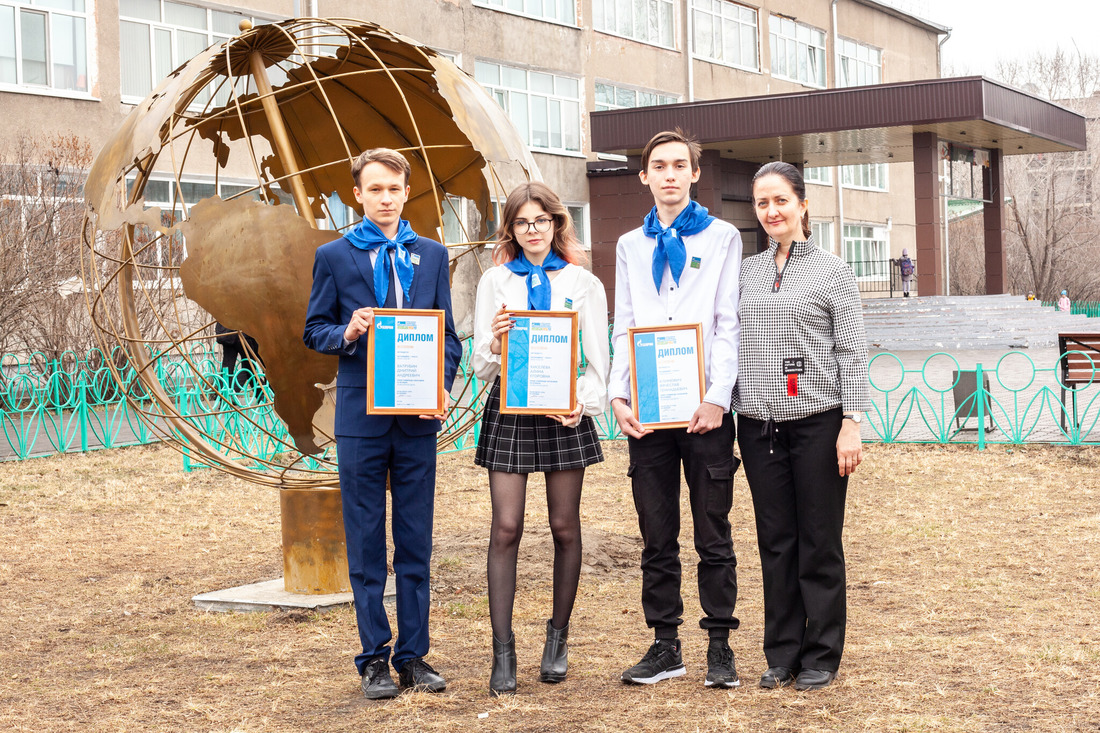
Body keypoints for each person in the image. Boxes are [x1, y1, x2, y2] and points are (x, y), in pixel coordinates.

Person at [302, 148, 462, 699]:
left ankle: (414, 656)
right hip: (360, 420)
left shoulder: (434, 255)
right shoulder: (335, 255)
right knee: (367, 539)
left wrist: (441, 382)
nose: (386, 198)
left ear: (406, 190)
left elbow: (449, 337)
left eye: (394, 189)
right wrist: (346, 332)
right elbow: (313, 330)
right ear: (358, 194)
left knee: (415, 540)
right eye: (375, 190)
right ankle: (373, 659)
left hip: (418, 419)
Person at [609, 129, 743, 689]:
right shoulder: (628, 246)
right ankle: (665, 645)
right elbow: (626, 324)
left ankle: (720, 645)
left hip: (705, 410)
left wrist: (717, 396)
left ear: (694, 173)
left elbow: (727, 321)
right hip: (649, 411)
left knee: (712, 530)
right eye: (657, 165)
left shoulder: (722, 236)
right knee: (656, 532)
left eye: (678, 165)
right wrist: (618, 395)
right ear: (643, 176)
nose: (668, 174)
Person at [733, 161, 869, 692]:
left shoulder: (834, 271)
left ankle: (821, 654)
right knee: (776, 541)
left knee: (818, 541)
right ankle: (782, 651)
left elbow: (852, 353)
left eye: (780, 201)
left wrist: (850, 424)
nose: (771, 212)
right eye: (762, 203)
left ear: (802, 204)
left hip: (817, 424)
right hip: (759, 425)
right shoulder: (747, 272)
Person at [472, 182, 609, 696]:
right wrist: (495, 338)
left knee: (564, 527)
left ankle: (557, 639)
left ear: (556, 224)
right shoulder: (495, 281)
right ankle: (502, 651)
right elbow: (484, 367)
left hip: (563, 413)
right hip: (509, 407)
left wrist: (583, 400)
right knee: (505, 527)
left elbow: (599, 358)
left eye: (542, 221)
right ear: (511, 229)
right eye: (522, 222)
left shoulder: (582, 283)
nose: (533, 230)